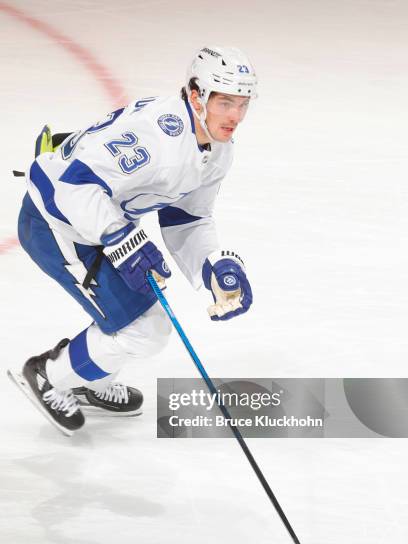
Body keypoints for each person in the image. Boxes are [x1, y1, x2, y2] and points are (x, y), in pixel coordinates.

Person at [13, 46, 257, 436]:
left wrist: (211, 268)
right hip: (55, 224)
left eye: (242, 104)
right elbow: (63, 184)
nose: (235, 116)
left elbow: (186, 218)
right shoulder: (157, 137)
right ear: (196, 95)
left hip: (98, 226)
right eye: (225, 101)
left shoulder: (216, 147)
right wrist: (120, 238)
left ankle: (89, 379)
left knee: (140, 322)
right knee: (144, 329)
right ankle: (49, 375)